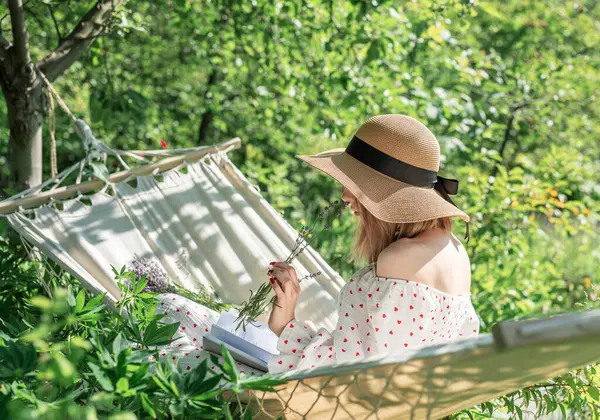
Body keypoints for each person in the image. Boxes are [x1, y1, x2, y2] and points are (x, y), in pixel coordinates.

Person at [266, 114, 480, 373]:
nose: (345, 195)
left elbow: (346, 373)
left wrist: (286, 325)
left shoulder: (399, 260)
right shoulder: (456, 251)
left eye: (357, 183)